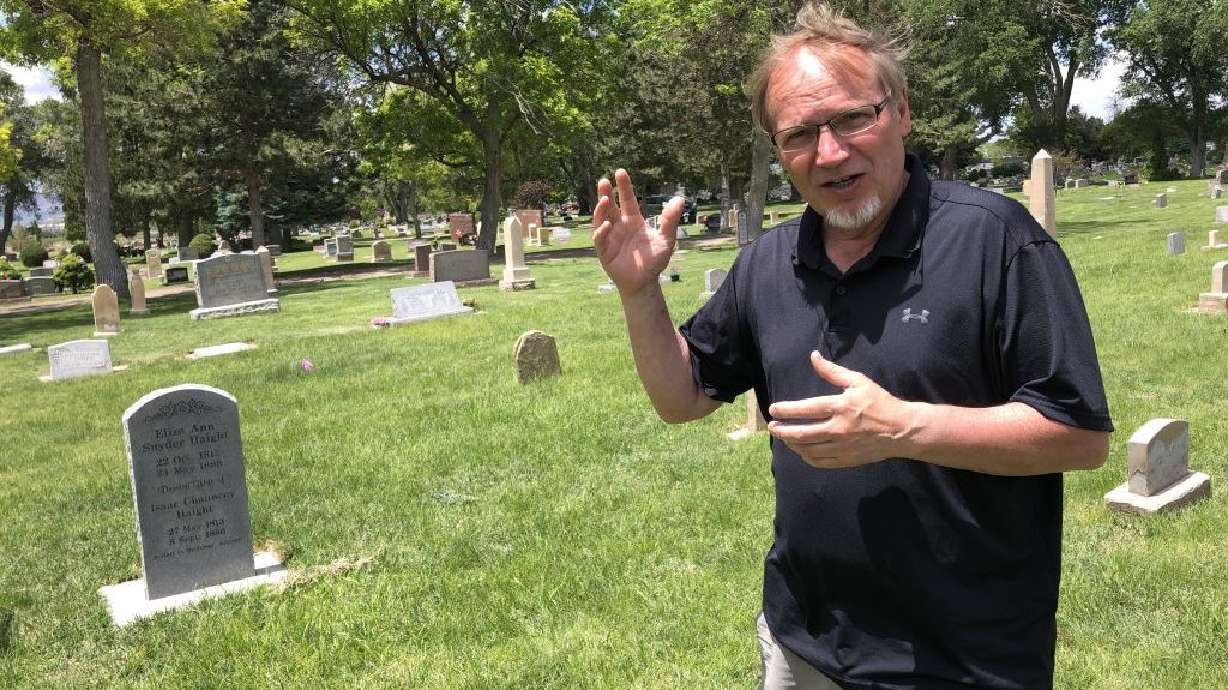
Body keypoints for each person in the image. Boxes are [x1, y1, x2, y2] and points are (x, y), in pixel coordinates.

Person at [591, 4, 1113, 689]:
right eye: (800, 133)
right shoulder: (769, 263)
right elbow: (682, 397)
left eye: (851, 119)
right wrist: (638, 293)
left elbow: (1078, 434)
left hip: (963, 660)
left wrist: (904, 427)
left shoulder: (996, 241)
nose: (829, 153)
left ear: (899, 112)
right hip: (804, 644)